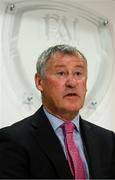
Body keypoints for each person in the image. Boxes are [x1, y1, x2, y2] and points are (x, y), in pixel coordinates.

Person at [0, 44, 115, 179]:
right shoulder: (13, 140)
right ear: (39, 82)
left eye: (78, 73)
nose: (72, 82)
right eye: (61, 73)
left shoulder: (107, 140)